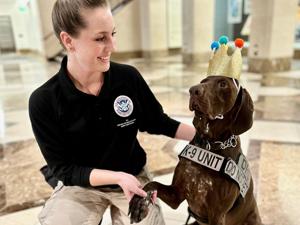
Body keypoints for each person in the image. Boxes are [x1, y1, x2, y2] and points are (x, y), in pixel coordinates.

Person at [29, 0, 196, 224]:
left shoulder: (128, 78)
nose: (113, 46)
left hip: (133, 176)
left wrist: (207, 137)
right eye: (100, 38)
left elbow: (157, 121)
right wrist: (117, 177)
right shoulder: (44, 101)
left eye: (113, 34)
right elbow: (64, 169)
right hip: (81, 185)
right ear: (68, 40)